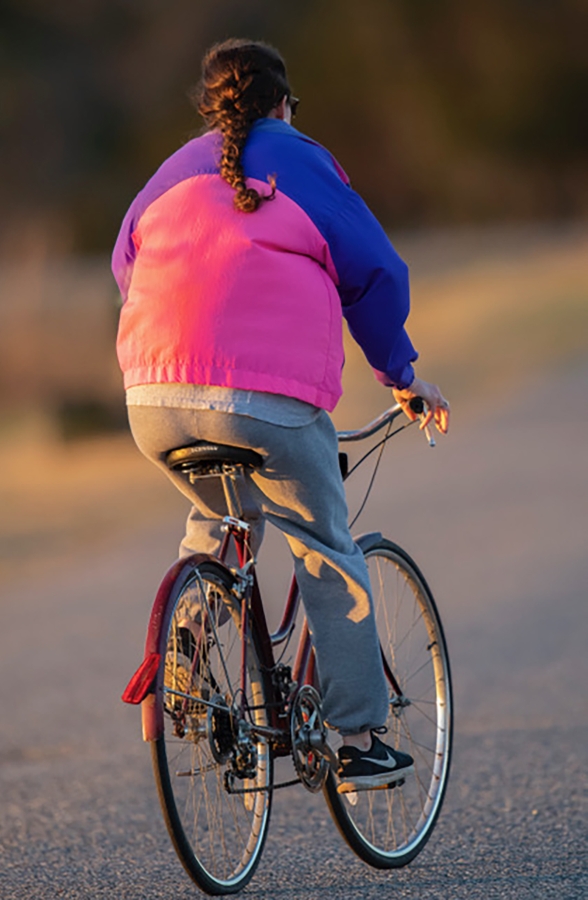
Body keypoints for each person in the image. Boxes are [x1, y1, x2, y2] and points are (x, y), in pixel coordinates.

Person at [112, 38, 449, 792]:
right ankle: (360, 740)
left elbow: (123, 263)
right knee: (327, 545)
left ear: (211, 107)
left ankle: (188, 651)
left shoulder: (169, 172)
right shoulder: (299, 159)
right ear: (283, 105)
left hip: (153, 399)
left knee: (222, 517)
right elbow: (377, 271)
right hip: (264, 402)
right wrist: (400, 374)